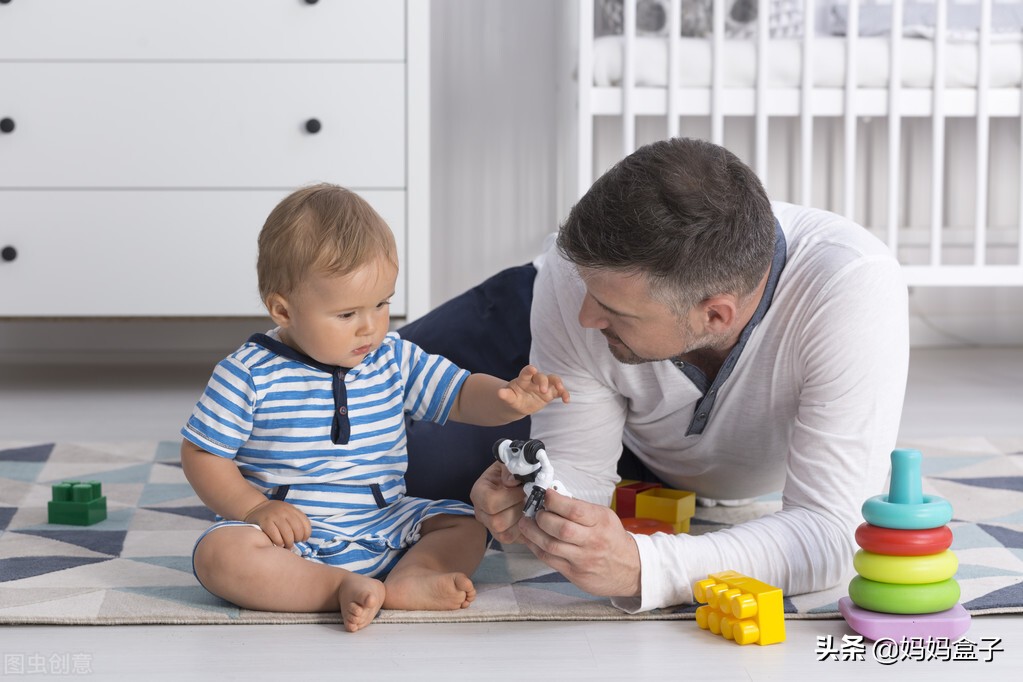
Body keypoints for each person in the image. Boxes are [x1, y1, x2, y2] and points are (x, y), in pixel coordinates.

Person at [462, 137, 909, 612]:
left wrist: (645, 567)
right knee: (389, 429)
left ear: (715, 316)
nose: (585, 318)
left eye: (610, 308)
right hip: (517, 318)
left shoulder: (851, 290)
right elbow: (578, 468)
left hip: (648, 464)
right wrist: (539, 499)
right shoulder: (575, 282)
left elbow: (833, 533)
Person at [180, 183, 569, 632]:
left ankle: (411, 579)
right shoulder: (248, 374)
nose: (370, 327)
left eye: (382, 304)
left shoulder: (393, 357)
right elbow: (202, 453)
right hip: (288, 538)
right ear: (283, 311)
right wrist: (252, 509)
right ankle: (332, 587)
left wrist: (507, 398)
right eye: (347, 315)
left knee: (465, 522)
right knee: (220, 557)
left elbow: (460, 394)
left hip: (385, 521)